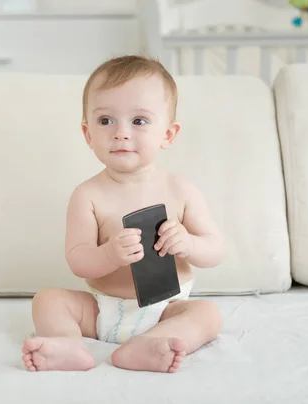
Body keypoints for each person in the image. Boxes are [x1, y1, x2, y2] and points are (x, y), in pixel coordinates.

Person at [21, 55, 223, 373]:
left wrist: (188, 244)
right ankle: (67, 344)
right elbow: (77, 260)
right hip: (102, 309)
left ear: (168, 135)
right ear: (88, 134)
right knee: (47, 299)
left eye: (139, 121)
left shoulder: (181, 190)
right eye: (106, 121)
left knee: (207, 314)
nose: (121, 133)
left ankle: (148, 345)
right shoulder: (87, 195)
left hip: (166, 308)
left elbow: (215, 250)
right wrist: (109, 254)